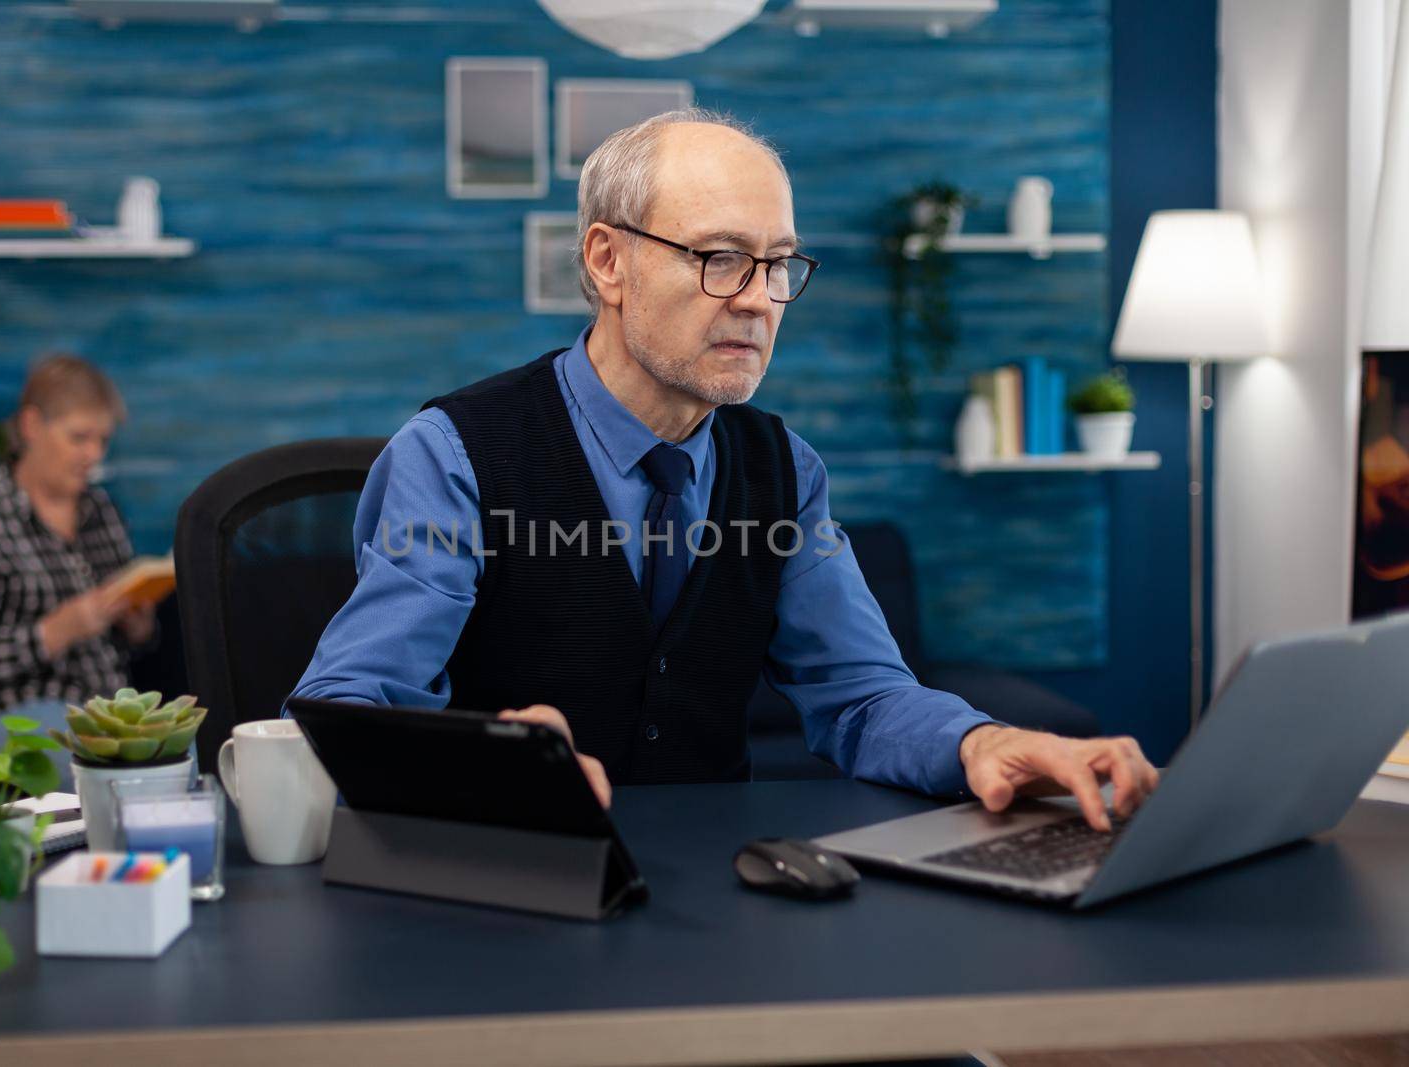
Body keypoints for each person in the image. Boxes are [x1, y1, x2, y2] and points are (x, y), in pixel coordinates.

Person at [292, 109, 1158, 831]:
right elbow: (347, 708)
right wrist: (492, 758)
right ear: (608, 260)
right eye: (719, 257)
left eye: (778, 263)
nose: (757, 297)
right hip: (503, 892)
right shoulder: (453, 453)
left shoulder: (784, 470)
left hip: (722, 896)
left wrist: (980, 744)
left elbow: (860, 696)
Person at [0, 354, 155, 788]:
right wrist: (54, 631)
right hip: (6, 716)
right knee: (88, 759)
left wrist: (137, 625)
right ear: (31, 426)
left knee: (184, 749)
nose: (93, 454)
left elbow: (133, 647)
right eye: (79, 437)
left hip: (100, 712)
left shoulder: (102, 513)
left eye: (102, 440)